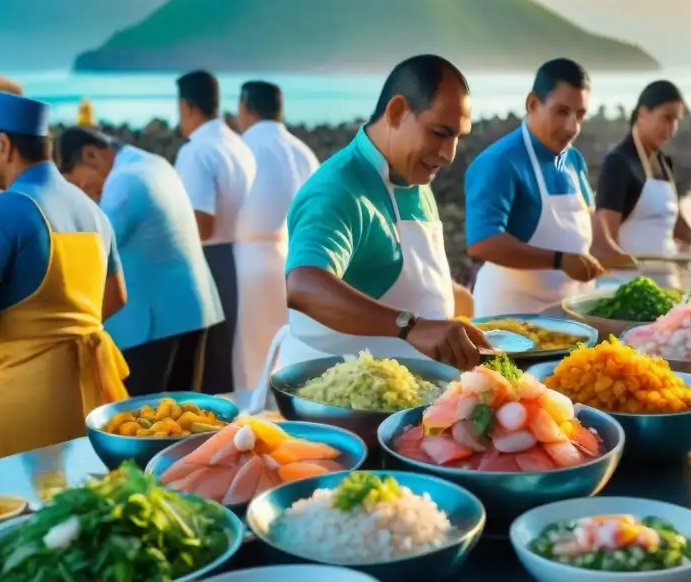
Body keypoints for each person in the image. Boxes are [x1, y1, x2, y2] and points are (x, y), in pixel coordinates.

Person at [248, 55, 490, 412]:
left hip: (411, 403)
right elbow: (303, 284)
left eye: (457, 137)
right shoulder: (337, 188)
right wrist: (412, 327)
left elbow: (400, 274)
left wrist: (453, 309)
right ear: (395, 112)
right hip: (337, 410)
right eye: (440, 133)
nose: (449, 154)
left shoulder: (415, 179)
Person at [0, 92, 129, 462]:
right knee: (85, 499)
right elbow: (114, 298)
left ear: (4, 144)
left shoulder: (2, 211)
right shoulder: (92, 210)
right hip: (90, 391)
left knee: (28, 505)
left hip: (24, 397)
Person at [57, 126, 224, 395]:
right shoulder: (154, 163)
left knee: (147, 423)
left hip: (153, 325)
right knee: (184, 419)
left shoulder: (124, 181)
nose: (82, 192)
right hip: (193, 311)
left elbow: (92, 248)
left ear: (91, 155)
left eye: (77, 183)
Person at [466, 59, 628, 316]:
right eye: (561, 112)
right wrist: (559, 260)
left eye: (580, 115)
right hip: (511, 319)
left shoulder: (574, 160)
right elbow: (483, 243)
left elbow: (591, 227)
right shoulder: (498, 162)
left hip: (572, 314)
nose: (572, 127)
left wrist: (622, 259)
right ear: (532, 104)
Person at [173, 71, 257, 393]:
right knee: (230, 361)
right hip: (239, 256)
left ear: (187, 106)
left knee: (208, 366)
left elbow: (202, 225)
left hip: (210, 259)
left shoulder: (196, 151)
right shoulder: (237, 143)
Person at [237, 81, 319, 390]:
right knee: (289, 347)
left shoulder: (243, 146)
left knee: (250, 353)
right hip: (295, 259)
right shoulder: (303, 151)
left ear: (246, 107)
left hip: (249, 259)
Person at [593, 81, 691, 287]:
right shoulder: (619, 162)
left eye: (676, 120)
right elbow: (605, 239)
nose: (672, 128)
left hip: (667, 286)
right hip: (625, 287)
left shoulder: (664, 162)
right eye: (666, 118)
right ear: (643, 112)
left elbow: (672, 217)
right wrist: (635, 271)